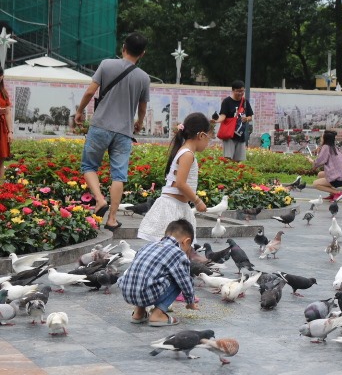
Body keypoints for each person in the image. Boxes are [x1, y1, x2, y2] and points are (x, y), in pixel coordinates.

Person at [74, 32, 150, 232]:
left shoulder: (107, 64)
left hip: (100, 126)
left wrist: (80, 111)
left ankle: (99, 200)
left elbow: (90, 91)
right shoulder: (144, 78)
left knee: (89, 165)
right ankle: (112, 219)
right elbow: (142, 107)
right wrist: (139, 123)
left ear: (123, 47)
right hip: (124, 131)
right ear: (142, 53)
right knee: (119, 174)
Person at [137, 113, 211, 242]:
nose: (208, 142)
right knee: (174, 246)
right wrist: (197, 201)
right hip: (172, 207)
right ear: (201, 135)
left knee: (180, 246)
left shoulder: (186, 152)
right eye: (209, 138)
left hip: (178, 205)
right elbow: (180, 183)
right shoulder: (187, 154)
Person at [119, 219, 199, 326]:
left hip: (127, 292)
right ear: (186, 242)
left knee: (146, 277)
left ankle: (138, 313)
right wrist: (190, 302)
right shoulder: (178, 253)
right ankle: (158, 314)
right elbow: (185, 281)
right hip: (147, 294)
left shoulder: (147, 246)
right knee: (179, 278)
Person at [213, 80, 253, 162]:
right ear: (233, 90)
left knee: (240, 161)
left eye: (242, 91)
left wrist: (246, 119)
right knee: (228, 159)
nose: (240, 93)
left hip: (240, 135)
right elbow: (223, 116)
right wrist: (216, 120)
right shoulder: (227, 102)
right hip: (229, 135)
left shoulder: (245, 102)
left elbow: (250, 116)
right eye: (238, 91)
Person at [308, 130, 342, 202]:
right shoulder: (333, 147)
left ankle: (338, 193)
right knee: (320, 174)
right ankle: (332, 194)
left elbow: (320, 161)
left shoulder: (326, 147)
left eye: (322, 137)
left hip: (339, 179)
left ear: (325, 139)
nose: (321, 139)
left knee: (316, 184)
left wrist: (311, 161)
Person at [0, 67, 12, 180]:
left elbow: (8, 113)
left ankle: (1, 187)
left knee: (1, 157)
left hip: (2, 128)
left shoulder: (4, 93)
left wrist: (10, 132)